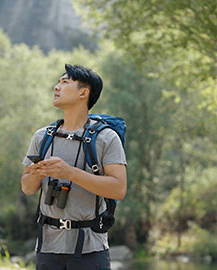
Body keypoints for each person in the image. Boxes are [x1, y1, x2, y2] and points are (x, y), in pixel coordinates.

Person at [20, 64, 127, 270]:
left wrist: (70, 173)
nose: (56, 87)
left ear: (83, 93)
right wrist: (35, 175)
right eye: (58, 82)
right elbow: (27, 188)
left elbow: (118, 189)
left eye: (64, 82)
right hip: (47, 247)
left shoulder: (106, 138)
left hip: (90, 250)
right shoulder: (42, 136)